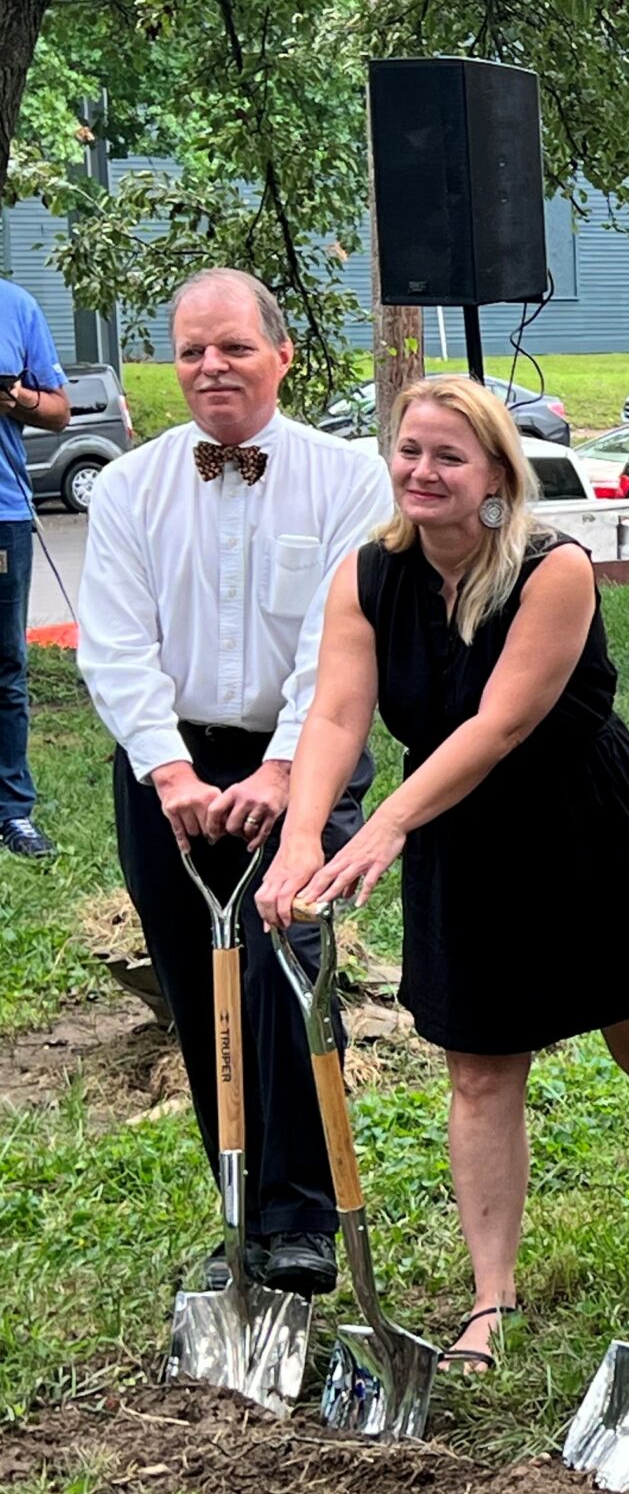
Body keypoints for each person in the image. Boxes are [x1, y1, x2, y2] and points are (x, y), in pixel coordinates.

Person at [255, 376, 629, 1370]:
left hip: (576, 822)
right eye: (409, 450)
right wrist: (302, 834)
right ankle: (491, 1301)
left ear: (497, 475)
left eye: (448, 456)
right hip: (462, 838)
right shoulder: (368, 573)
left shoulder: (556, 568)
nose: (422, 471)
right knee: (479, 1064)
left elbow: (499, 725)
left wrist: (387, 828)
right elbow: (333, 716)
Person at [76, 268, 392, 1296]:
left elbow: (338, 649)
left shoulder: (348, 479)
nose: (212, 367)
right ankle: (240, 1209)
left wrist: (284, 767)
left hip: (304, 756)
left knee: (280, 971)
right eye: (192, 351)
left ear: (282, 355)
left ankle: (301, 1215)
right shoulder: (129, 486)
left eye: (235, 348)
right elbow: (115, 644)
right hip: (166, 770)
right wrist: (168, 769)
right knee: (194, 979)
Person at [0, 274, 71, 859]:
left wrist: (17, 398)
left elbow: (58, 412)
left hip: (3, 514)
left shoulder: (17, 305)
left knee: (5, 665)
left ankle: (13, 811)